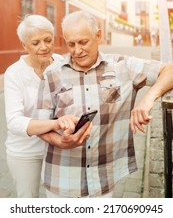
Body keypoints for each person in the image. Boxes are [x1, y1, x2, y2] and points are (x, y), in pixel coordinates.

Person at [36, 10, 173, 198]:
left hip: (103, 181)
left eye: (83, 42)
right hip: (62, 181)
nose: (77, 50)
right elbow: (39, 125)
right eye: (71, 44)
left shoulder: (122, 65)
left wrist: (148, 98)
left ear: (98, 36)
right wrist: (60, 141)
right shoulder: (52, 74)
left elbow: (169, 70)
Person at [4, 14, 91, 198]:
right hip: (26, 151)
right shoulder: (14, 73)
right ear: (24, 45)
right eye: (35, 43)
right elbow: (14, 122)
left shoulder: (63, 64)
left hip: (58, 146)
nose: (43, 47)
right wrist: (55, 123)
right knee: (28, 202)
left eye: (48, 40)